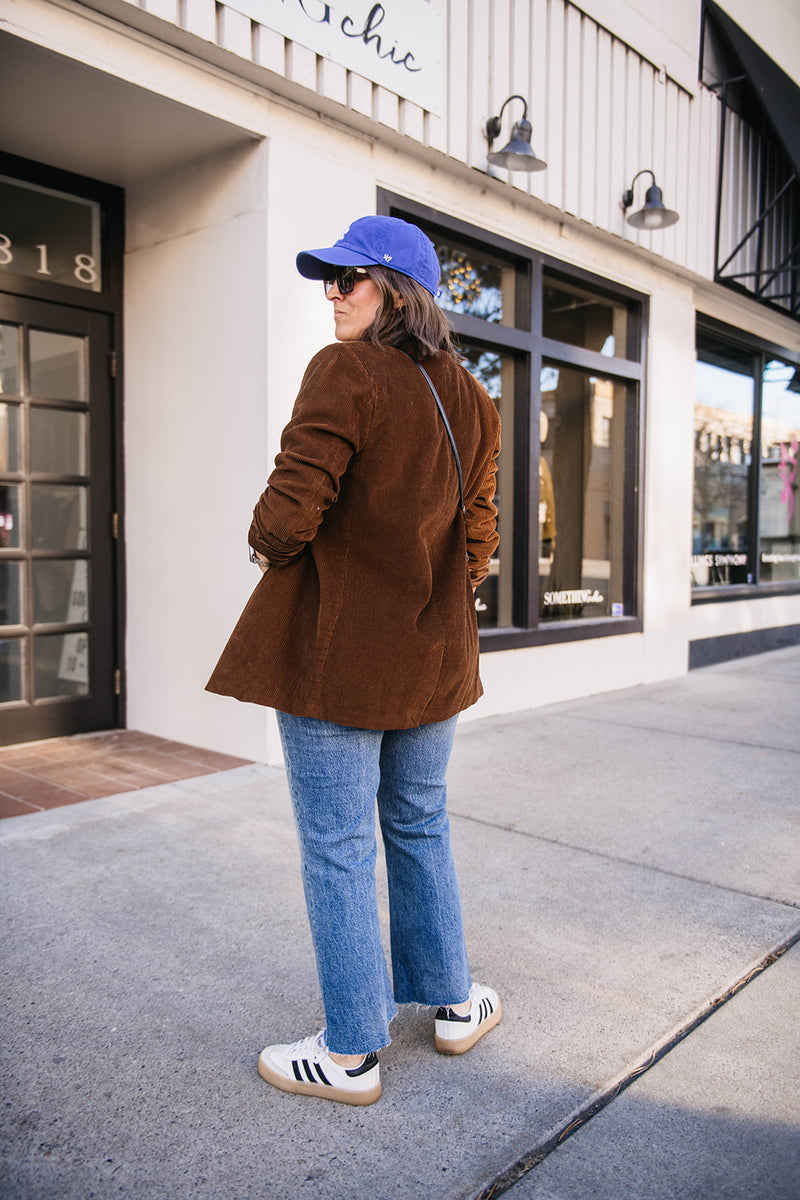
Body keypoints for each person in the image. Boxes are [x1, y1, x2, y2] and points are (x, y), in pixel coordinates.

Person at [207, 215, 502, 1106]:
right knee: (418, 825)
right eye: (327, 280)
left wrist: (265, 546)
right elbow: (479, 534)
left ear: (399, 291)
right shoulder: (476, 399)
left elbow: (296, 499)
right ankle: (454, 1004)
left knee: (338, 846)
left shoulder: (345, 371)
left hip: (339, 654)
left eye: (351, 278)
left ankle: (349, 1053)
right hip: (433, 655)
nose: (332, 293)